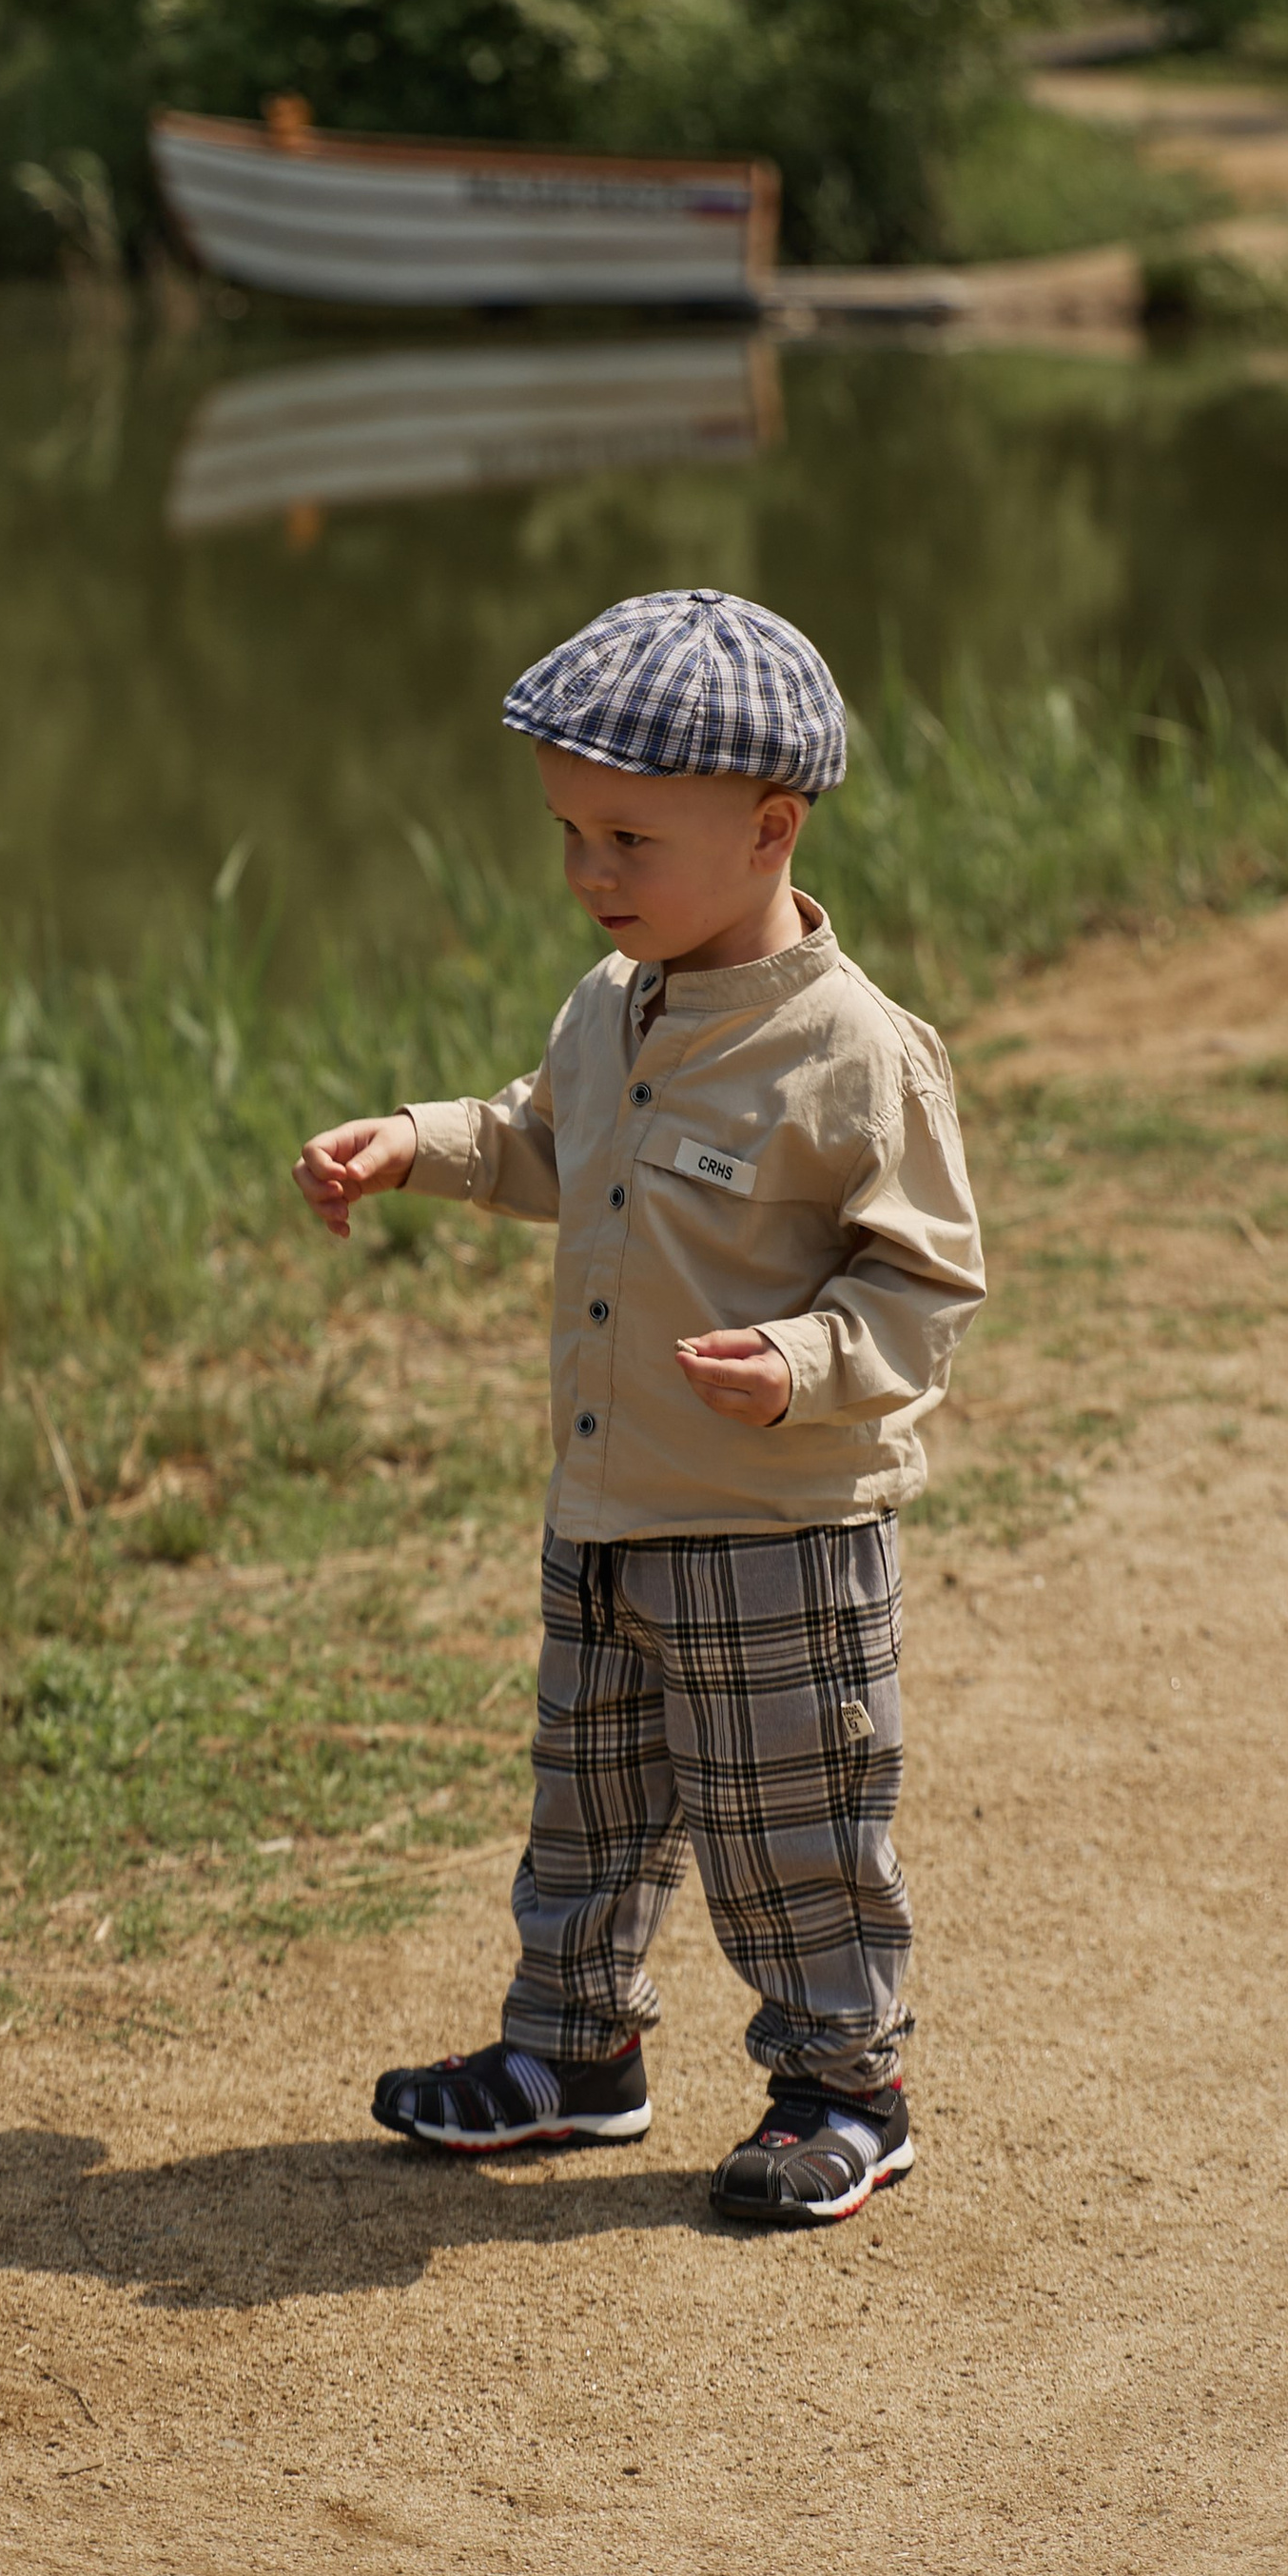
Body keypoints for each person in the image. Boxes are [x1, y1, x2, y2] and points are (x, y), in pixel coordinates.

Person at [293, 588, 986, 2227]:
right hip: (606, 1513)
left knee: (788, 1815)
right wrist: (418, 1141)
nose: (589, 875)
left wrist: (803, 1366)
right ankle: (572, 2054)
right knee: (586, 1801)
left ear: (767, 829)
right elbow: (548, 1140)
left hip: (775, 1527)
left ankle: (845, 2086)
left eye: (626, 839)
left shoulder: (853, 1054)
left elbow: (925, 1286)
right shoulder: (612, 1007)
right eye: (570, 836)